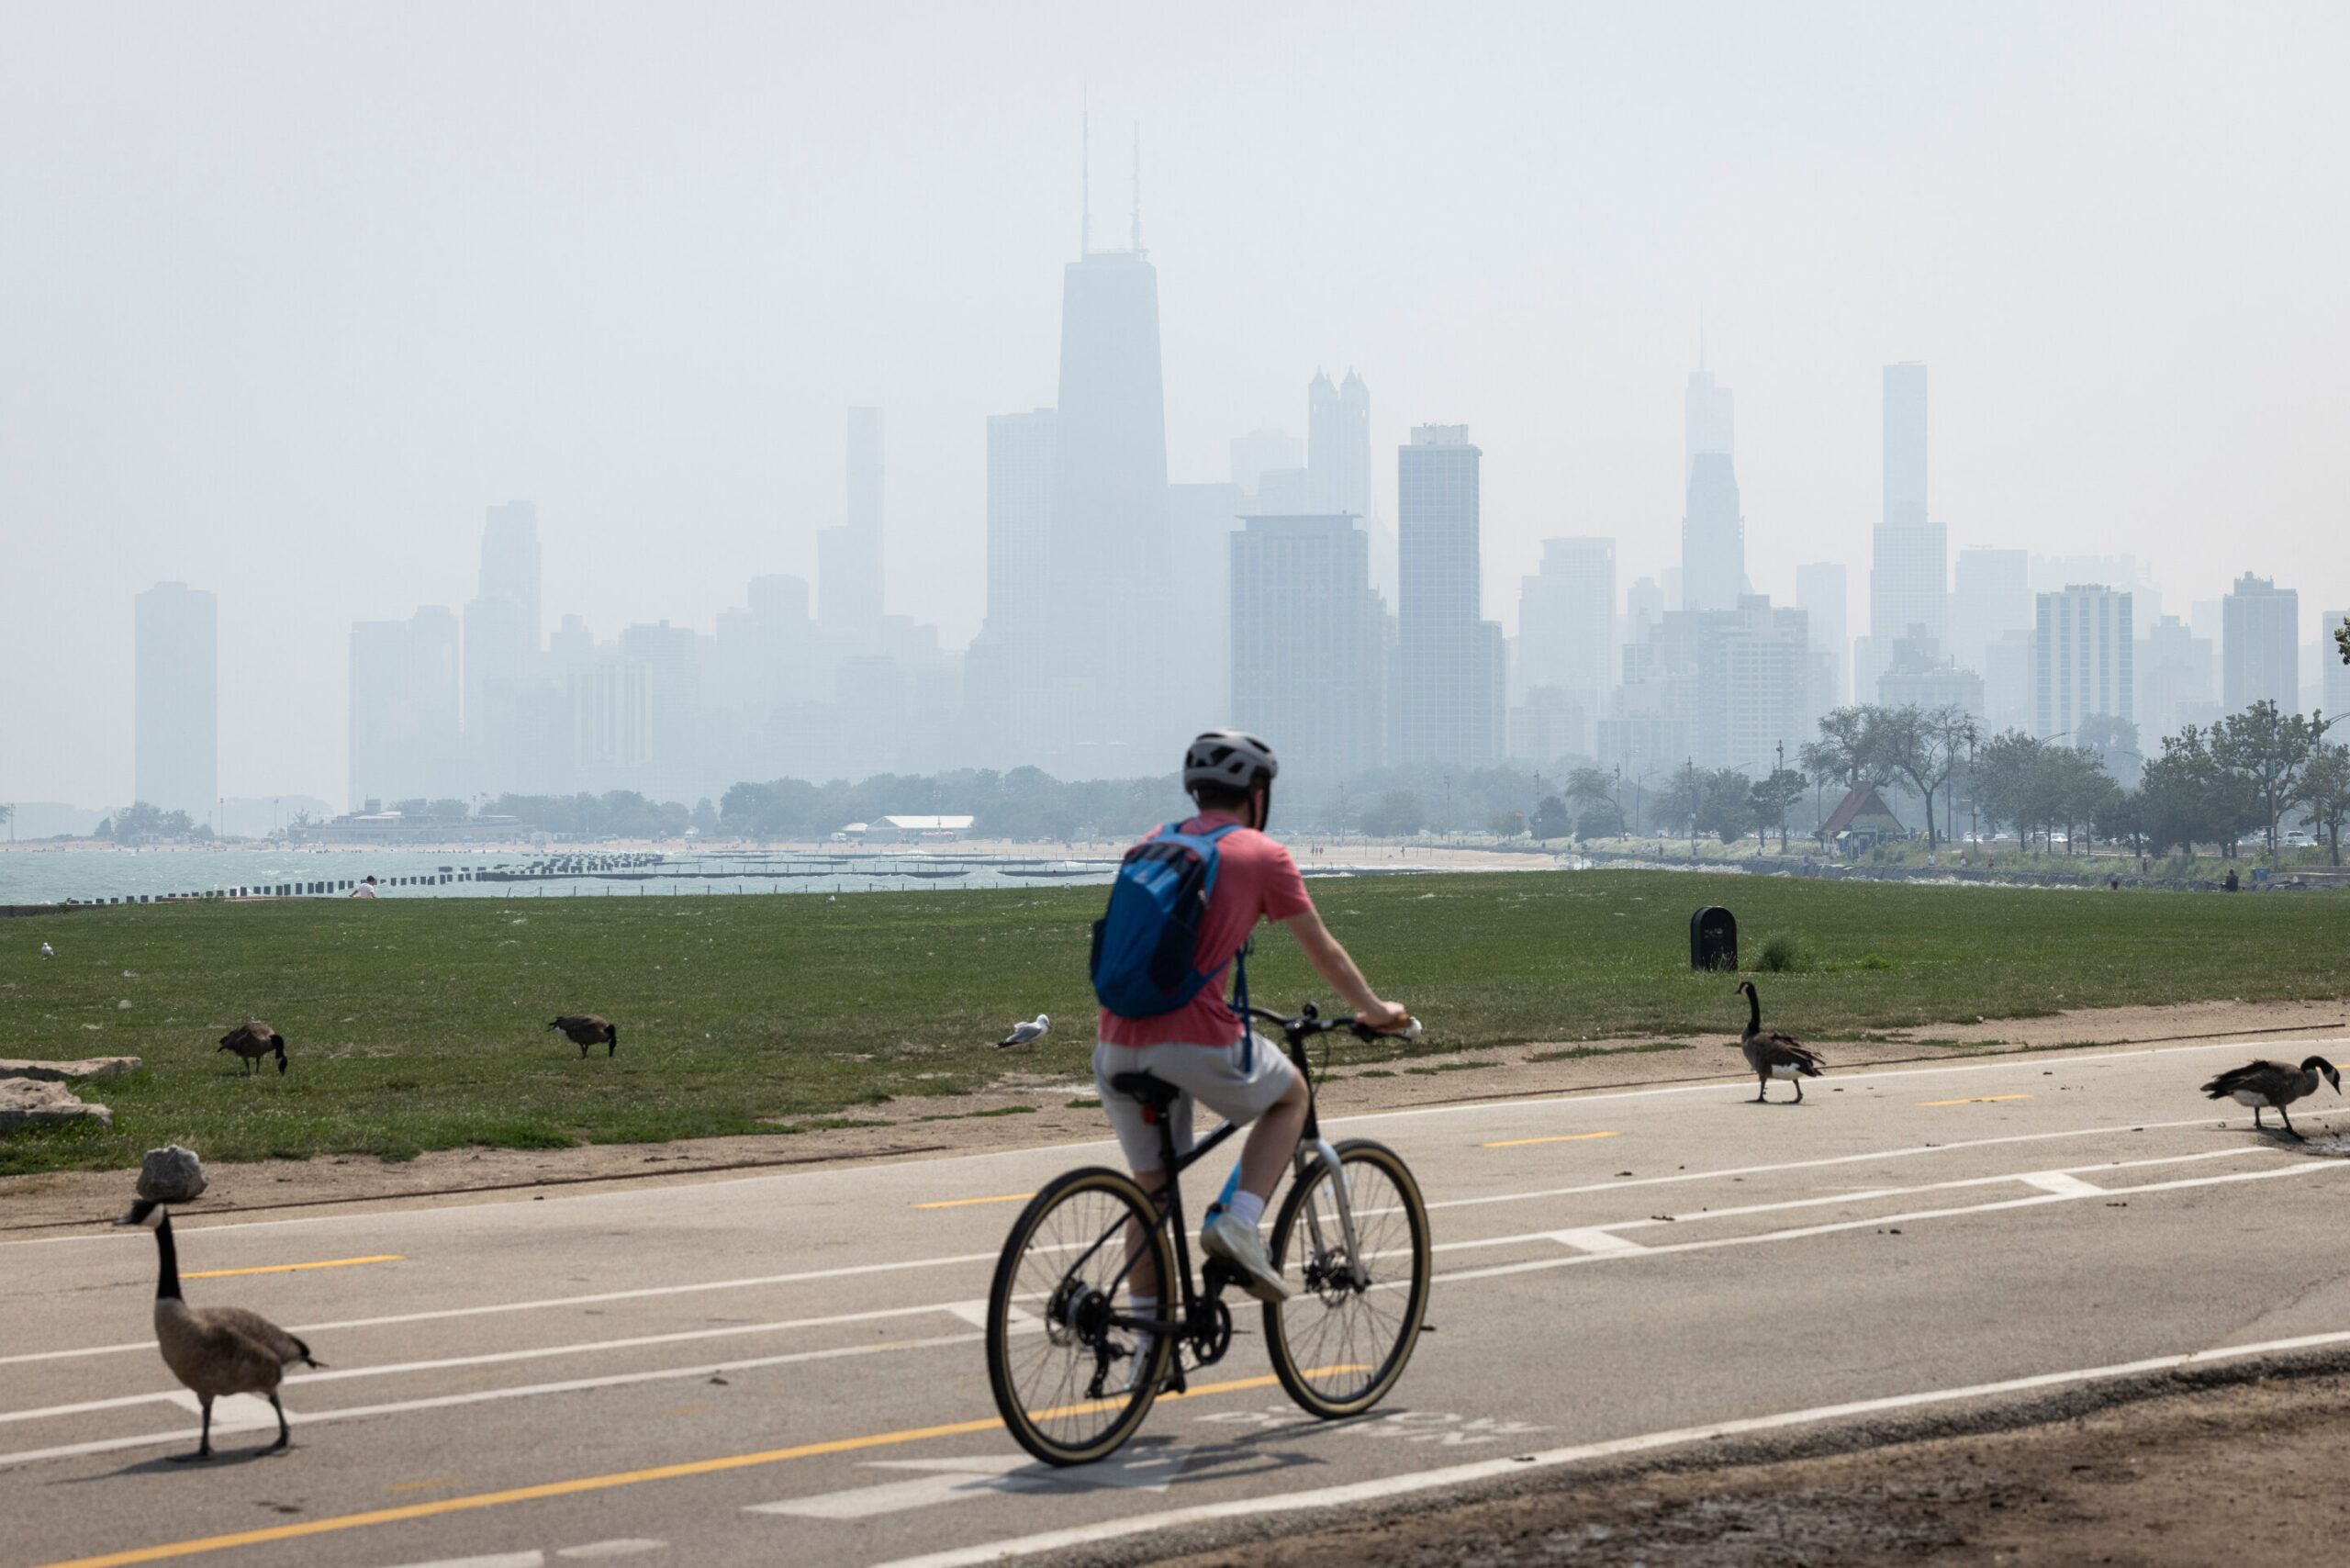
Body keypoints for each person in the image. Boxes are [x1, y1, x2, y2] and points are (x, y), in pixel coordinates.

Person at [1095, 731, 1409, 1336]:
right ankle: (1238, 1222)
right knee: (1291, 1095)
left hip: (1114, 1043)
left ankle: (1144, 1355)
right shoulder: (1261, 854)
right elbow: (1324, 952)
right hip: (1192, 1038)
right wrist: (1374, 1009)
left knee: (1152, 1196)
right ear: (1257, 794)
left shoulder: (1154, 840)